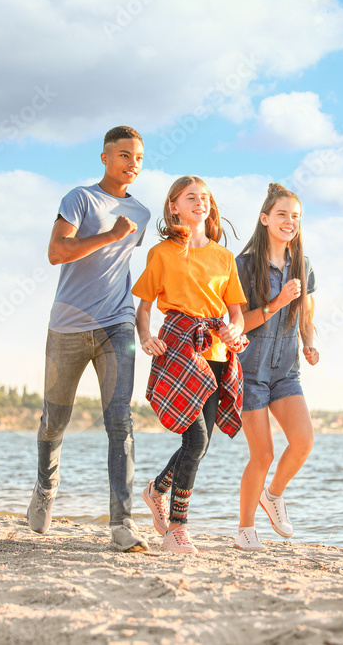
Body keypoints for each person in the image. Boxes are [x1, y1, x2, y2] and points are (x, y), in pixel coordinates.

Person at [27, 126, 152, 553]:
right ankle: (46, 487)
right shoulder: (80, 199)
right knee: (54, 420)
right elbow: (57, 252)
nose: (131, 163)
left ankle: (122, 524)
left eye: (137, 156)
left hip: (117, 323)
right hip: (68, 325)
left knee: (120, 421)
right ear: (103, 157)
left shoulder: (144, 214)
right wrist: (110, 236)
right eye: (123, 155)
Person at [133, 175, 248, 554]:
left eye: (205, 198)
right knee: (195, 438)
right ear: (174, 206)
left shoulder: (224, 257)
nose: (200, 202)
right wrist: (146, 336)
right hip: (178, 347)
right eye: (190, 197)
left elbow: (236, 313)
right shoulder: (162, 253)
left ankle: (156, 491)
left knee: (201, 443)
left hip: (216, 353)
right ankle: (177, 530)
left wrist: (234, 331)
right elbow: (145, 305)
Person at [233, 183, 318, 551]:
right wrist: (276, 301)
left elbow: (307, 316)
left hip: (286, 370)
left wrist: (310, 342)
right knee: (263, 454)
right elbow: (238, 324)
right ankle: (245, 529)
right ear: (265, 219)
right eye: (282, 214)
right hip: (249, 371)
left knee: (303, 442)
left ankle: (273, 495)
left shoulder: (303, 265)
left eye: (295, 216)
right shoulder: (244, 264)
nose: (289, 222)